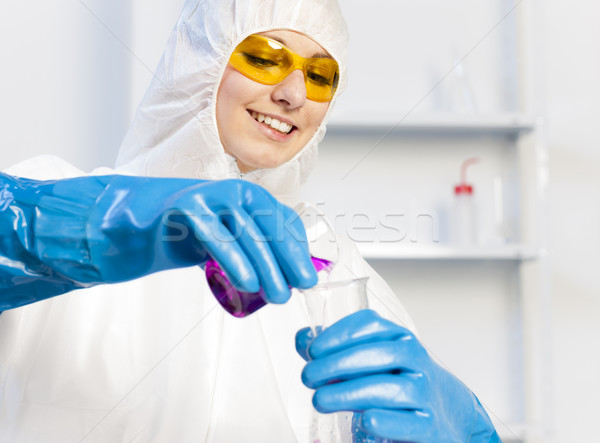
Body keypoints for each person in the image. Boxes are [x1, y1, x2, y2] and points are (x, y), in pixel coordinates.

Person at [0, 0, 501, 441]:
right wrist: (94, 225)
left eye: (320, 75)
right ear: (200, 60)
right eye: (265, 58)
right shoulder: (53, 199)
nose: (294, 95)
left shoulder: (334, 264)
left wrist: (471, 430)